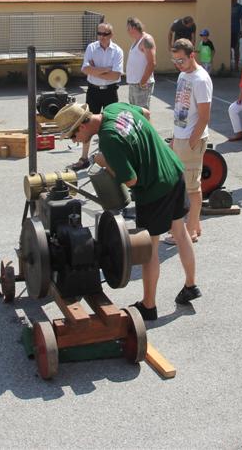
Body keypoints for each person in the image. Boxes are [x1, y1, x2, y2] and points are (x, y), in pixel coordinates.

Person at [54, 102, 198, 322]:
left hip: (154, 190)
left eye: (72, 137)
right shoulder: (114, 108)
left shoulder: (109, 140)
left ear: (81, 127)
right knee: (180, 231)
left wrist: (106, 163)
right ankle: (191, 285)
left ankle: (148, 306)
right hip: (172, 170)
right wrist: (146, 147)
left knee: (150, 248)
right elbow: (146, 113)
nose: (74, 141)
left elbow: (131, 179)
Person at [168, 39, 213, 244]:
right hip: (181, 138)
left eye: (181, 60)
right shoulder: (183, 75)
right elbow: (180, 109)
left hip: (191, 141)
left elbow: (204, 116)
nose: (178, 64)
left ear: (192, 55)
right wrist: (176, 138)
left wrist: (192, 142)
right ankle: (196, 225)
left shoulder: (200, 79)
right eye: (175, 60)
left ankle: (189, 232)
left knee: (191, 188)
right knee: (185, 185)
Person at [71, 22, 123, 170]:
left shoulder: (117, 51)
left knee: (110, 125)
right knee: (86, 123)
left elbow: (116, 75)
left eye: (105, 34)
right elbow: (85, 69)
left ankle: (108, 158)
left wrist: (96, 70)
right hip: (93, 91)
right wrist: (106, 70)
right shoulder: (91, 47)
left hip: (110, 91)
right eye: (99, 34)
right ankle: (84, 158)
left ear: (111, 35)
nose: (101, 37)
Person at [124, 17, 156, 109]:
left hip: (141, 84)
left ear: (133, 27)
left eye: (128, 28)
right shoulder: (137, 41)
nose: (127, 30)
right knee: (136, 113)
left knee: (143, 113)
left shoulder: (146, 40)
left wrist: (143, 81)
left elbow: (152, 63)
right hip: (134, 83)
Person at [230, 0, 242, 72]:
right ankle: (229, 64)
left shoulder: (240, 7)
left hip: (236, 31)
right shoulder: (227, 6)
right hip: (228, 31)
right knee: (228, 49)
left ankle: (236, 65)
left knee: (236, 48)